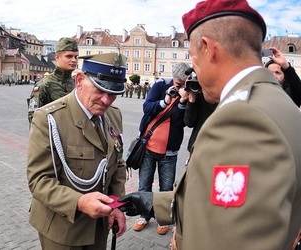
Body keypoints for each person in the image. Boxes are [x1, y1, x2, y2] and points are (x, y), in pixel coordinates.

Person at [119, 1, 301, 249]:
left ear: (207, 49)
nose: (195, 74)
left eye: (193, 61)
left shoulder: (239, 117)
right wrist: (155, 203)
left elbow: (227, 237)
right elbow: (228, 201)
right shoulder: (278, 102)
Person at [27, 53, 127, 250]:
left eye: (113, 93)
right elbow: (39, 180)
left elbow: (117, 163)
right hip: (62, 228)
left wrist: (116, 206)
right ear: (80, 80)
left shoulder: (113, 115)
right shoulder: (48, 118)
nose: (107, 100)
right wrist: (80, 202)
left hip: (99, 225)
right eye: (100, 90)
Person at [131, 63, 189, 235]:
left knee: (166, 188)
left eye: (184, 84)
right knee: (144, 184)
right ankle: (144, 214)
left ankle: (163, 219)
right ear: (173, 79)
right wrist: (165, 101)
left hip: (169, 151)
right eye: (179, 84)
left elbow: (181, 122)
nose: (181, 87)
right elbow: (146, 108)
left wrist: (183, 102)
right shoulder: (160, 85)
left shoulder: (188, 93)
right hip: (148, 147)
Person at [27, 37, 78, 124]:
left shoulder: (77, 84)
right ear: (57, 57)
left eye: (76, 57)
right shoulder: (44, 85)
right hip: (53, 135)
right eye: (69, 56)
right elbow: (34, 120)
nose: (74, 60)